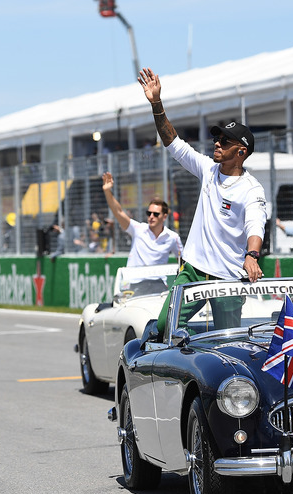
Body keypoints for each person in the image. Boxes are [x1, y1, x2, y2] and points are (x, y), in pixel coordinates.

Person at [138, 67, 267, 335]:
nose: (216, 143)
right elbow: (172, 142)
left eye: (224, 141)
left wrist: (252, 256)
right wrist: (157, 104)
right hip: (193, 270)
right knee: (165, 327)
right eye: (217, 138)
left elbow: (256, 227)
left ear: (241, 152)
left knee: (227, 343)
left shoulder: (252, 189)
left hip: (229, 278)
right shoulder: (208, 169)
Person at [102, 171, 183, 291]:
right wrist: (107, 191)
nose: (151, 216)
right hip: (135, 283)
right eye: (149, 213)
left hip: (158, 285)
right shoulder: (138, 229)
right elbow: (118, 212)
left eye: (156, 214)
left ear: (164, 217)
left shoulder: (173, 237)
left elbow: (183, 262)